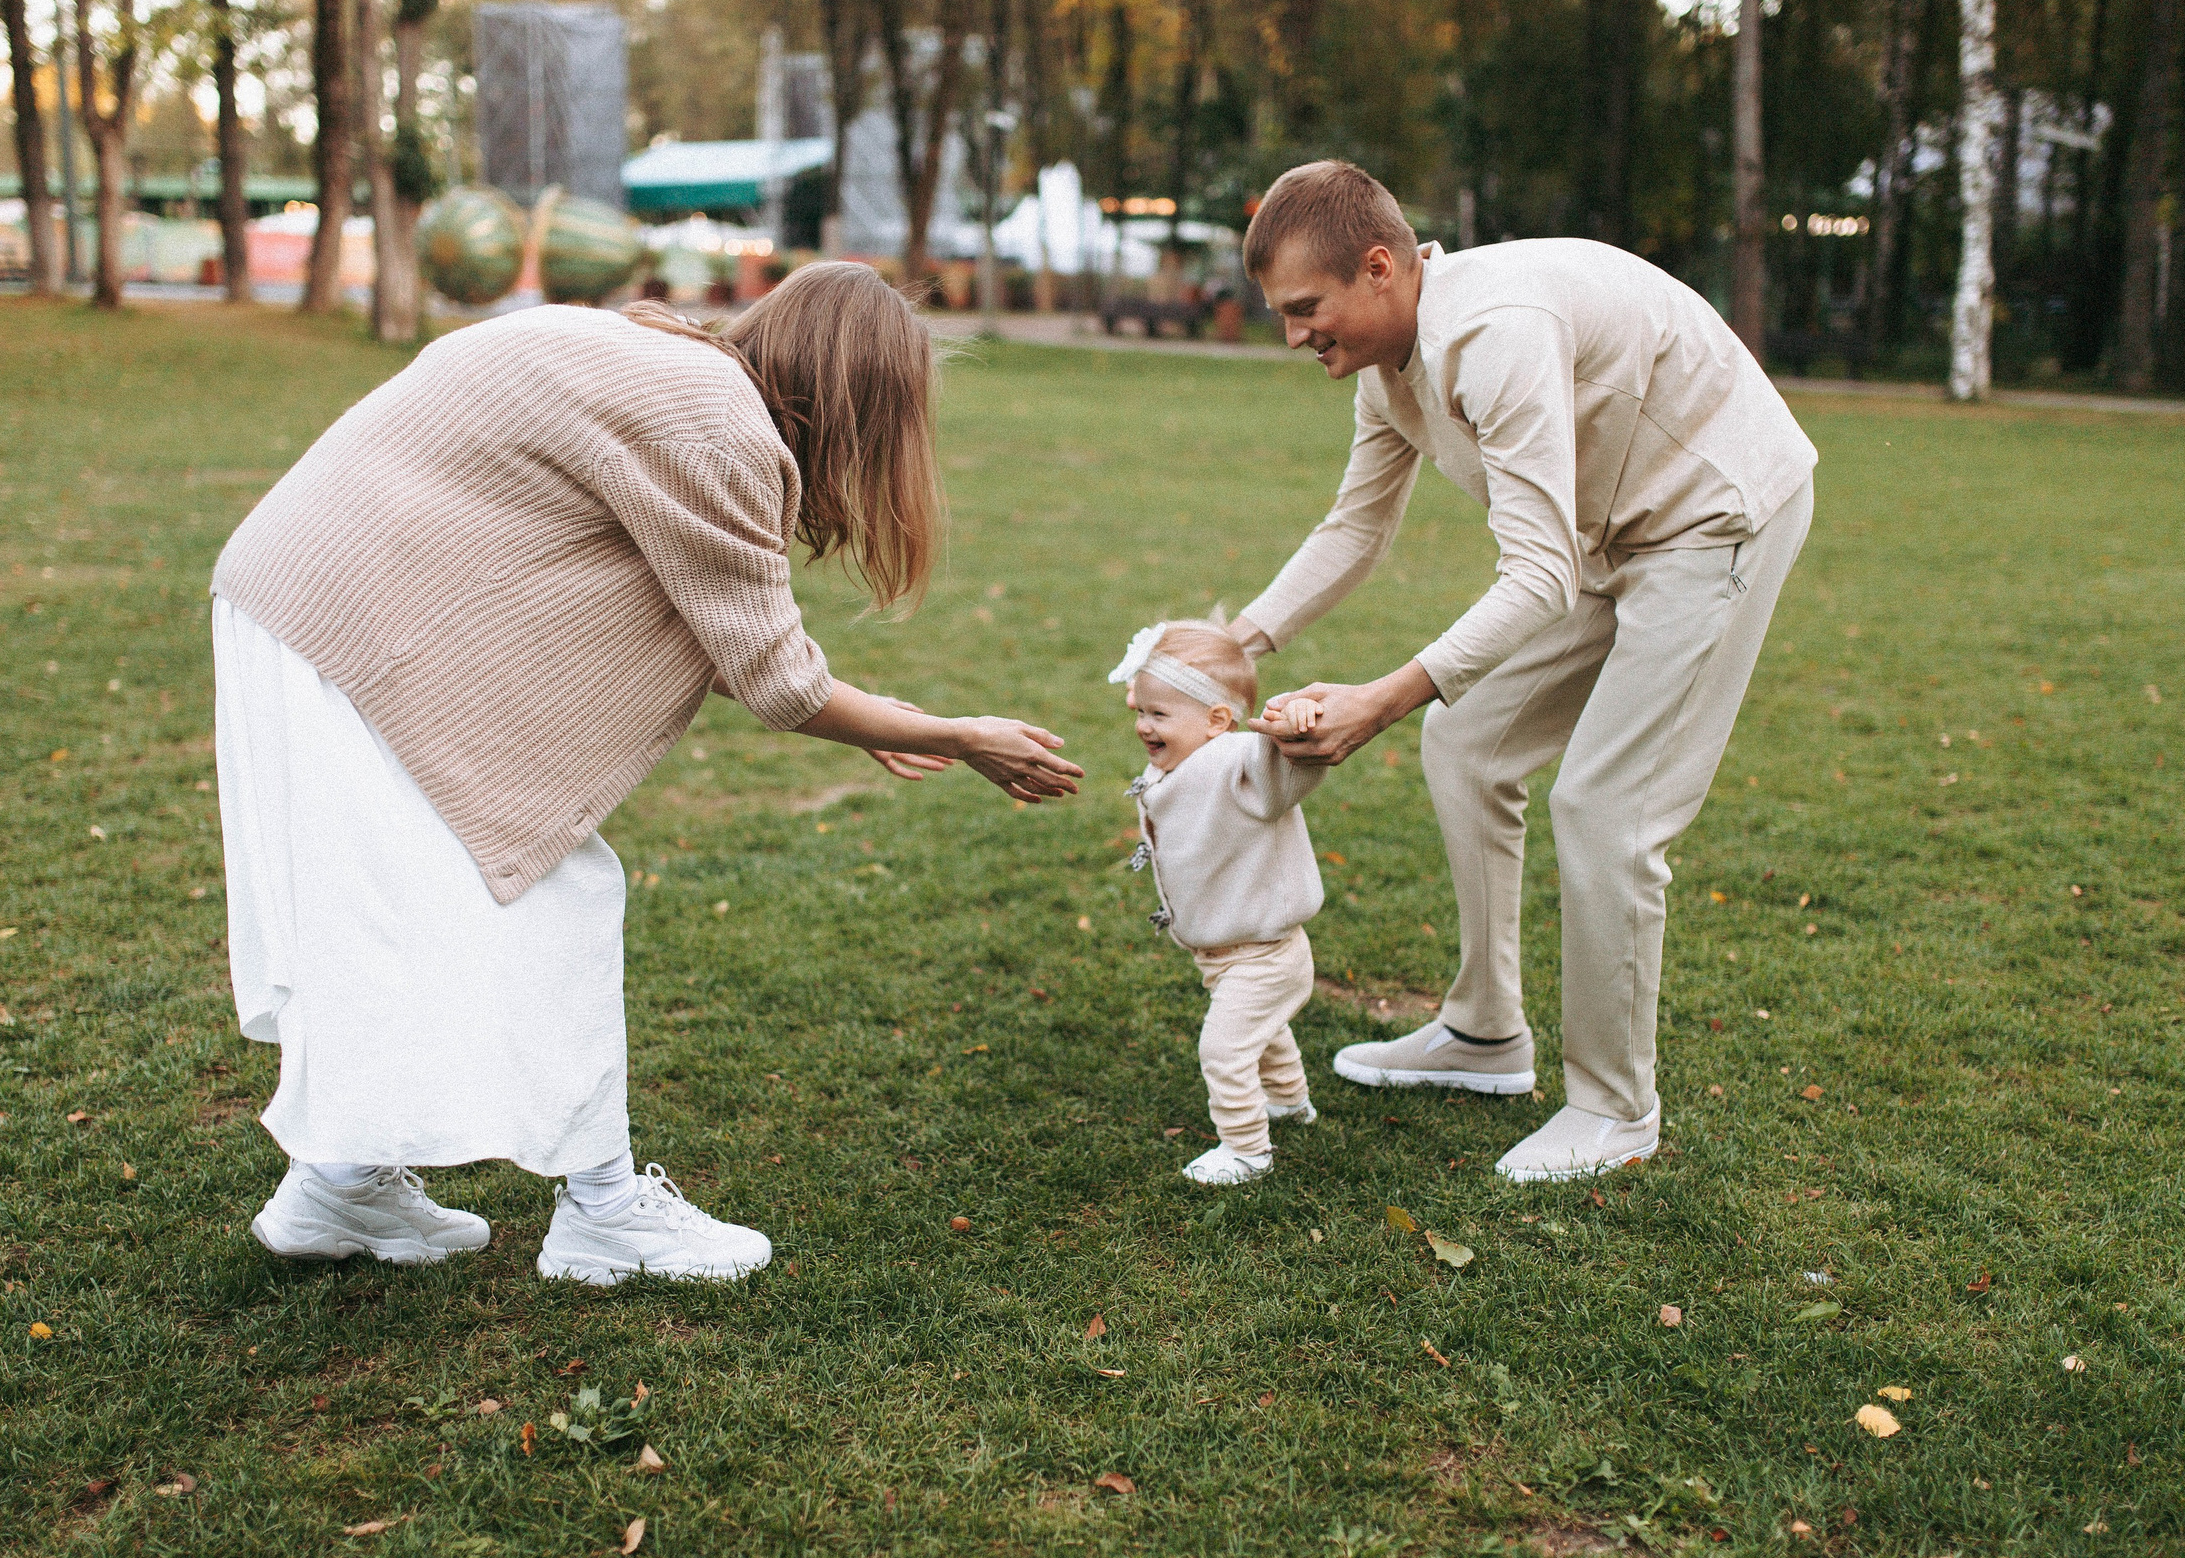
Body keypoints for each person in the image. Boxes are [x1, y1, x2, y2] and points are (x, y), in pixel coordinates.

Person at [210, 264, 1084, 1283]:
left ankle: (340, 1186)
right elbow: (773, 680)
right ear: (862, 402)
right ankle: (605, 1214)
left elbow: (713, 626)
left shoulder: (668, 372)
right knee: (556, 895)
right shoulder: (717, 431)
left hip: (302, 605)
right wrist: (955, 734)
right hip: (350, 631)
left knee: (393, 916)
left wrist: (893, 723)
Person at [1226, 161, 1819, 1184]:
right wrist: (1237, 644)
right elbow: (1357, 525)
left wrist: (1381, 697)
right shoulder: (1391, 366)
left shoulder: (1493, 331)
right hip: (1614, 528)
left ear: (1379, 268)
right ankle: (1484, 1032)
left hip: (1717, 518)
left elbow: (1538, 573)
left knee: (1605, 810)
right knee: (1468, 740)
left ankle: (1614, 1108)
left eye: (1304, 309)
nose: (1292, 336)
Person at [1112, 621, 1327, 1185]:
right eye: (1141, 711)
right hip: (1230, 952)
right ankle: (1289, 1103)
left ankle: (1247, 1151)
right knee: (1264, 1033)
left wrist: (1296, 725)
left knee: (1224, 1049)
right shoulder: (1178, 763)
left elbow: (1288, 762)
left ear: (1215, 720)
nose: (1142, 726)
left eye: (1159, 715)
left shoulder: (1238, 762)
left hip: (1265, 954)